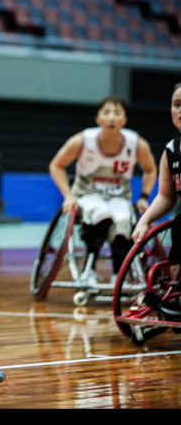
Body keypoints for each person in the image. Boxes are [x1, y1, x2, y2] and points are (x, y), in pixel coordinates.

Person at [49, 95, 157, 283]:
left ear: (124, 120)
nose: (111, 118)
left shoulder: (136, 143)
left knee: (123, 228)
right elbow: (56, 165)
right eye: (106, 113)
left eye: (117, 113)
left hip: (119, 197)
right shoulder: (83, 140)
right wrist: (68, 196)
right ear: (98, 119)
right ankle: (88, 270)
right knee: (102, 217)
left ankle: (118, 276)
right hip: (87, 194)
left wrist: (144, 197)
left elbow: (150, 169)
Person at [131, 83, 181, 317]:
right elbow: (165, 196)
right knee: (180, 225)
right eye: (176, 105)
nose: (180, 111)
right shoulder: (171, 150)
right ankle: (176, 294)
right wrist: (144, 220)